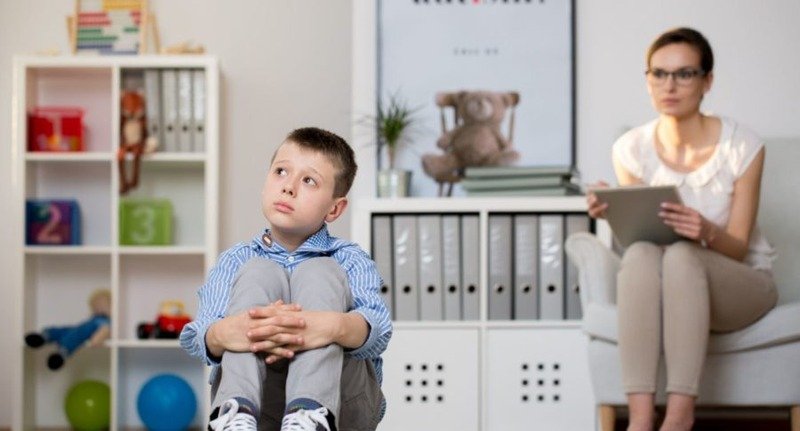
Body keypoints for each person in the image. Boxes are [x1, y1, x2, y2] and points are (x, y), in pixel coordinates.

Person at [586, 28, 778, 431]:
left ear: (707, 81)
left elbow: (740, 249)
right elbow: (645, 243)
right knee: (640, 254)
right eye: (659, 74)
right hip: (672, 280)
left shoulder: (743, 145)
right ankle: (639, 419)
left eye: (684, 74)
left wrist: (706, 231)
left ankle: (679, 416)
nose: (669, 85)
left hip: (741, 285)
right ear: (648, 80)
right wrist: (613, 212)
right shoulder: (631, 148)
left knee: (684, 253)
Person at [180, 127, 392, 431]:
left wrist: (332, 325)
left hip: (341, 404)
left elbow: (380, 329)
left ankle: (311, 412)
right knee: (258, 271)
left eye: (309, 181)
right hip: (262, 401)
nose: (288, 187)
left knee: (319, 270)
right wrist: (224, 332)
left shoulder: (349, 258)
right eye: (281, 172)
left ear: (334, 208)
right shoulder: (236, 260)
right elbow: (197, 336)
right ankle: (235, 412)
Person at [24, 288, 111, 370]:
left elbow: (104, 331)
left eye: (102, 304)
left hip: (82, 333)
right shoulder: (95, 318)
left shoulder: (105, 321)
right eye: (95, 305)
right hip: (78, 329)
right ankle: (44, 337)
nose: (98, 307)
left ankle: (61, 354)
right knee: (63, 330)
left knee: (73, 337)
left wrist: (97, 339)